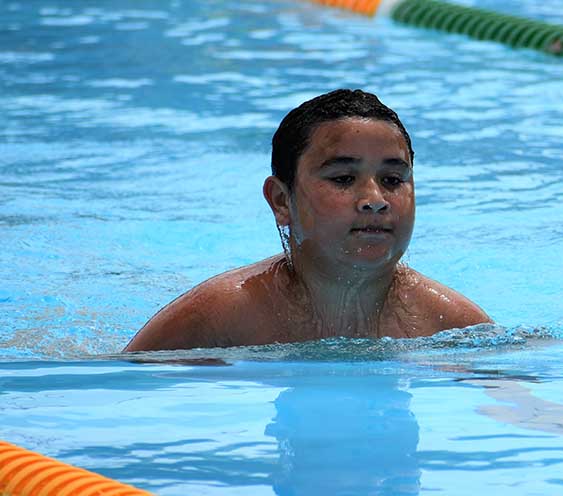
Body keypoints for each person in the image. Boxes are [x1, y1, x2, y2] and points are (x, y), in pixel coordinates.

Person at [124, 89, 491, 352]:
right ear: (282, 201)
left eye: (393, 180)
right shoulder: (220, 318)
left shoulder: (452, 326)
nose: (375, 200)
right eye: (343, 179)